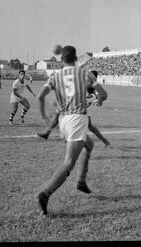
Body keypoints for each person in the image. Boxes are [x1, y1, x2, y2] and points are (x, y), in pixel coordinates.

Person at [36, 46, 107, 215]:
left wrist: (46, 119)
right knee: (69, 162)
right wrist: (99, 100)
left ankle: (81, 182)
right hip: (77, 119)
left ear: (61, 60)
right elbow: (103, 94)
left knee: (88, 145)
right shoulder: (84, 73)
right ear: (76, 58)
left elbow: (40, 97)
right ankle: (45, 194)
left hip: (63, 121)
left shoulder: (55, 75)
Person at [37, 70, 111, 147]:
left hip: (82, 109)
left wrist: (97, 101)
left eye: (92, 75)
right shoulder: (83, 81)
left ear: (95, 77)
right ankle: (47, 133)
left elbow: (100, 97)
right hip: (73, 105)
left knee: (90, 127)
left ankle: (104, 141)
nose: (89, 76)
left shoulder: (94, 86)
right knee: (57, 115)